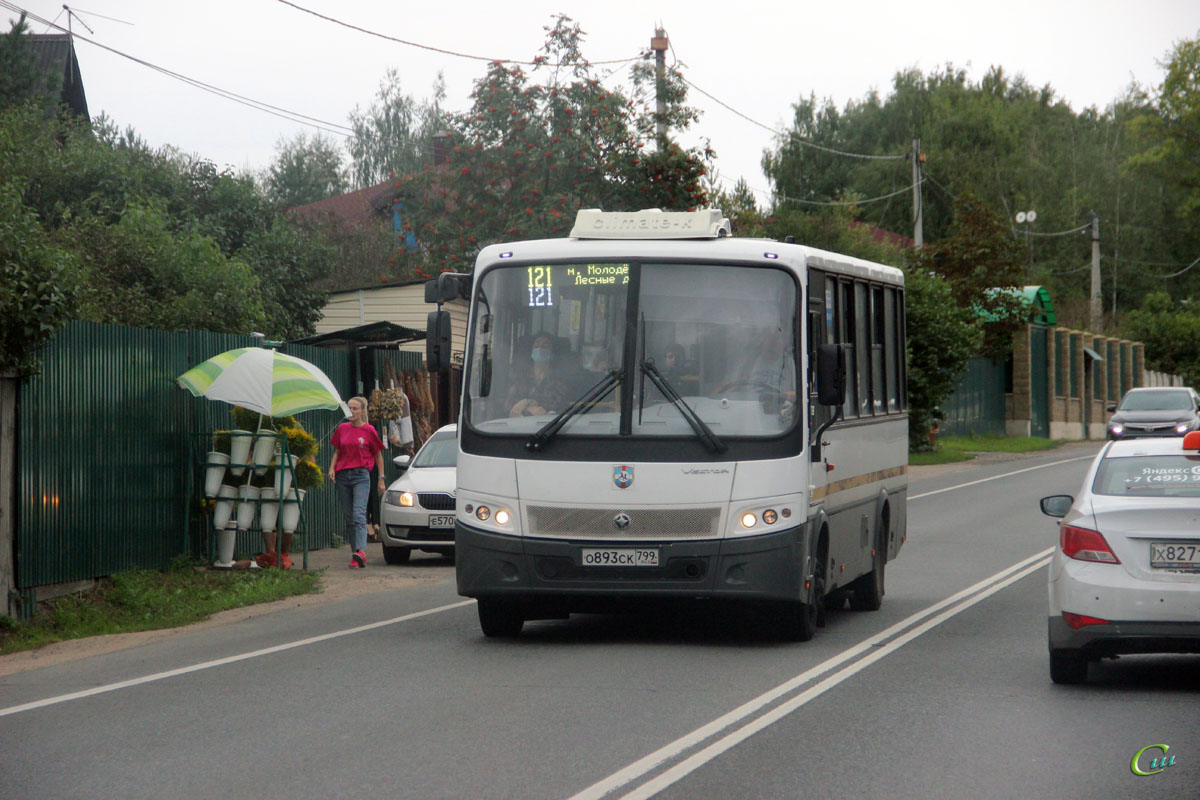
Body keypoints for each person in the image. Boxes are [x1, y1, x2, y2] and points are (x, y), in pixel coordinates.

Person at [329, 396, 386, 568]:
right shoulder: (342, 428)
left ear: (362, 411)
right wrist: (332, 468)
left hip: (361, 475)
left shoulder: (369, 431)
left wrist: (381, 479)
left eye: (355, 408)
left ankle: (360, 550)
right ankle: (356, 554)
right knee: (349, 516)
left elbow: (378, 455)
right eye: (349, 408)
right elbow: (337, 451)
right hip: (342, 476)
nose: (351, 411)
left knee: (358, 513)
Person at [508, 332, 570, 417]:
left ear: (552, 354)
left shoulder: (559, 379)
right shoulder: (522, 377)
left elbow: (556, 404)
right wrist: (529, 407)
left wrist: (526, 403)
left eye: (545, 346)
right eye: (537, 345)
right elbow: (509, 404)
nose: (540, 348)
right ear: (531, 353)